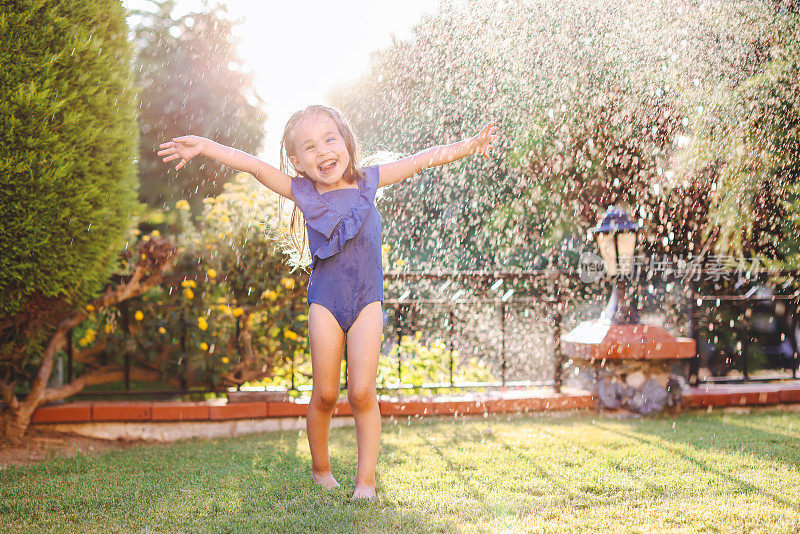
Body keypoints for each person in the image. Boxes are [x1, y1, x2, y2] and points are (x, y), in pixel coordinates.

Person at [158, 104, 498, 500]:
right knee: (325, 395)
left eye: (329, 139)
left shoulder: (371, 180)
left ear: (346, 142)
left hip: (367, 301)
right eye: (309, 147)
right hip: (326, 302)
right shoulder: (301, 190)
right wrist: (204, 146)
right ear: (298, 162)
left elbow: (422, 160)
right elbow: (251, 165)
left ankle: (365, 483)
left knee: (361, 394)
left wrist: (470, 145)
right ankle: (322, 470)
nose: (322, 151)